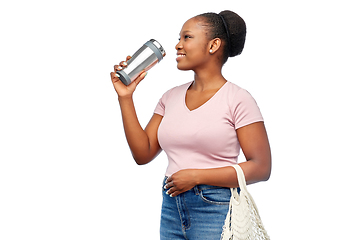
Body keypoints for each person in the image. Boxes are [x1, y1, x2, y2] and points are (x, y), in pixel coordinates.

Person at [110, 10, 271, 240]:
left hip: (216, 207)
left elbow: (261, 167)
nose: (177, 45)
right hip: (171, 207)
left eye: (187, 37)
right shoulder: (170, 97)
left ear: (213, 45)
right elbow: (142, 153)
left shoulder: (238, 99)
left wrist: (197, 176)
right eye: (179, 38)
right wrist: (125, 97)